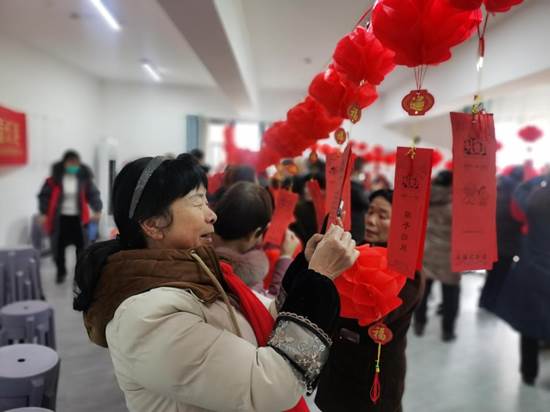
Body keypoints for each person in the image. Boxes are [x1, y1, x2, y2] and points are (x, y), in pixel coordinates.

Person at [73, 154, 358, 412]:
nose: (212, 214)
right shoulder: (146, 317)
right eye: (197, 201)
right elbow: (270, 387)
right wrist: (318, 281)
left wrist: (306, 268)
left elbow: (258, 323)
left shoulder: (195, 271)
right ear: (153, 224)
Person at [315, 189, 423, 412]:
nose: (371, 221)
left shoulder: (408, 270)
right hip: (338, 366)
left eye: (382, 216)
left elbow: (377, 313)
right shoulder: (354, 250)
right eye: (370, 211)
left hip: (375, 375)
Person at [494, 174, 550, 386]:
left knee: (530, 324)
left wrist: (537, 179)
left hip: (533, 268)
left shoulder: (537, 197)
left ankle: (529, 372)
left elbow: (519, 193)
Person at [213, 181, 300, 295]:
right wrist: (285, 257)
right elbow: (272, 307)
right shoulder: (246, 276)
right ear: (254, 233)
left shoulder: (195, 250)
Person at [38, 150, 102, 283]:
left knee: (82, 249)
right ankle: (61, 272)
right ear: (64, 163)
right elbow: (44, 197)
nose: (73, 166)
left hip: (79, 220)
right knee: (58, 249)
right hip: (60, 220)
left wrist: (97, 209)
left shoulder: (84, 180)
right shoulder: (53, 181)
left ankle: (79, 275)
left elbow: (93, 194)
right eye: (70, 162)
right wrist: (43, 213)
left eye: (76, 163)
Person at [413, 170, 460, 342]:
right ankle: (448, 331)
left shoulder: (424, 197)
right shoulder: (458, 203)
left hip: (426, 252)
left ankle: (419, 323)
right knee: (451, 294)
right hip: (450, 257)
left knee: (423, 291)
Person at [479, 166, 524, 312]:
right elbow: (520, 218)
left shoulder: (497, 188)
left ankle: (483, 301)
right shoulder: (519, 194)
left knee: (491, 273)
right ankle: (491, 303)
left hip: (492, 241)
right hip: (509, 243)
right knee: (501, 276)